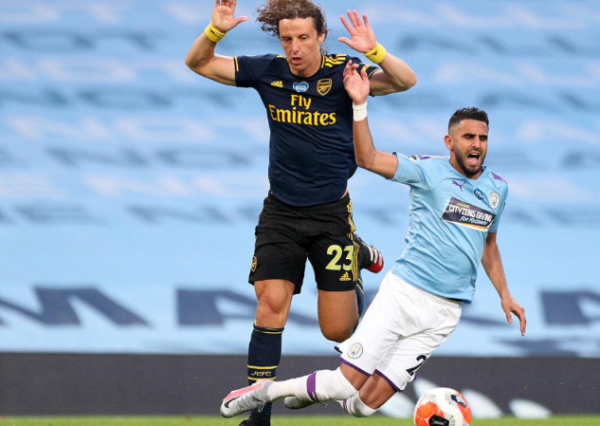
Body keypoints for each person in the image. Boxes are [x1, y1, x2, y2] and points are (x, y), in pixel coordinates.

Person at [218, 61, 527, 420]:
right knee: (342, 384)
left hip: (446, 314)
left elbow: (488, 244)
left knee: (362, 407)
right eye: (468, 137)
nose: (476, 145)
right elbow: (366, 158)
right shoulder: (427, 171)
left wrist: (505, 293)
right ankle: (264, 392)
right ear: (450, 142)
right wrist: (360, 105)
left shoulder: (498, 189)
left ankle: (313, 390)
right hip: (406, 294)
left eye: (482, 138)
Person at [186, 1, 416, 425]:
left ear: (321, 37)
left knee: (338, 330)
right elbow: (198, 63)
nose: (294, 48)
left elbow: (405, 80)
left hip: (331, 216)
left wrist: (376, 52)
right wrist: (215, 31)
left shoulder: (346, 72)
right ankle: (258, 417)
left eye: (304, 38)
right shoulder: (267, 71)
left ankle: (356, 253)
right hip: (281, 213)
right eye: (287, 39)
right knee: (270, 305)